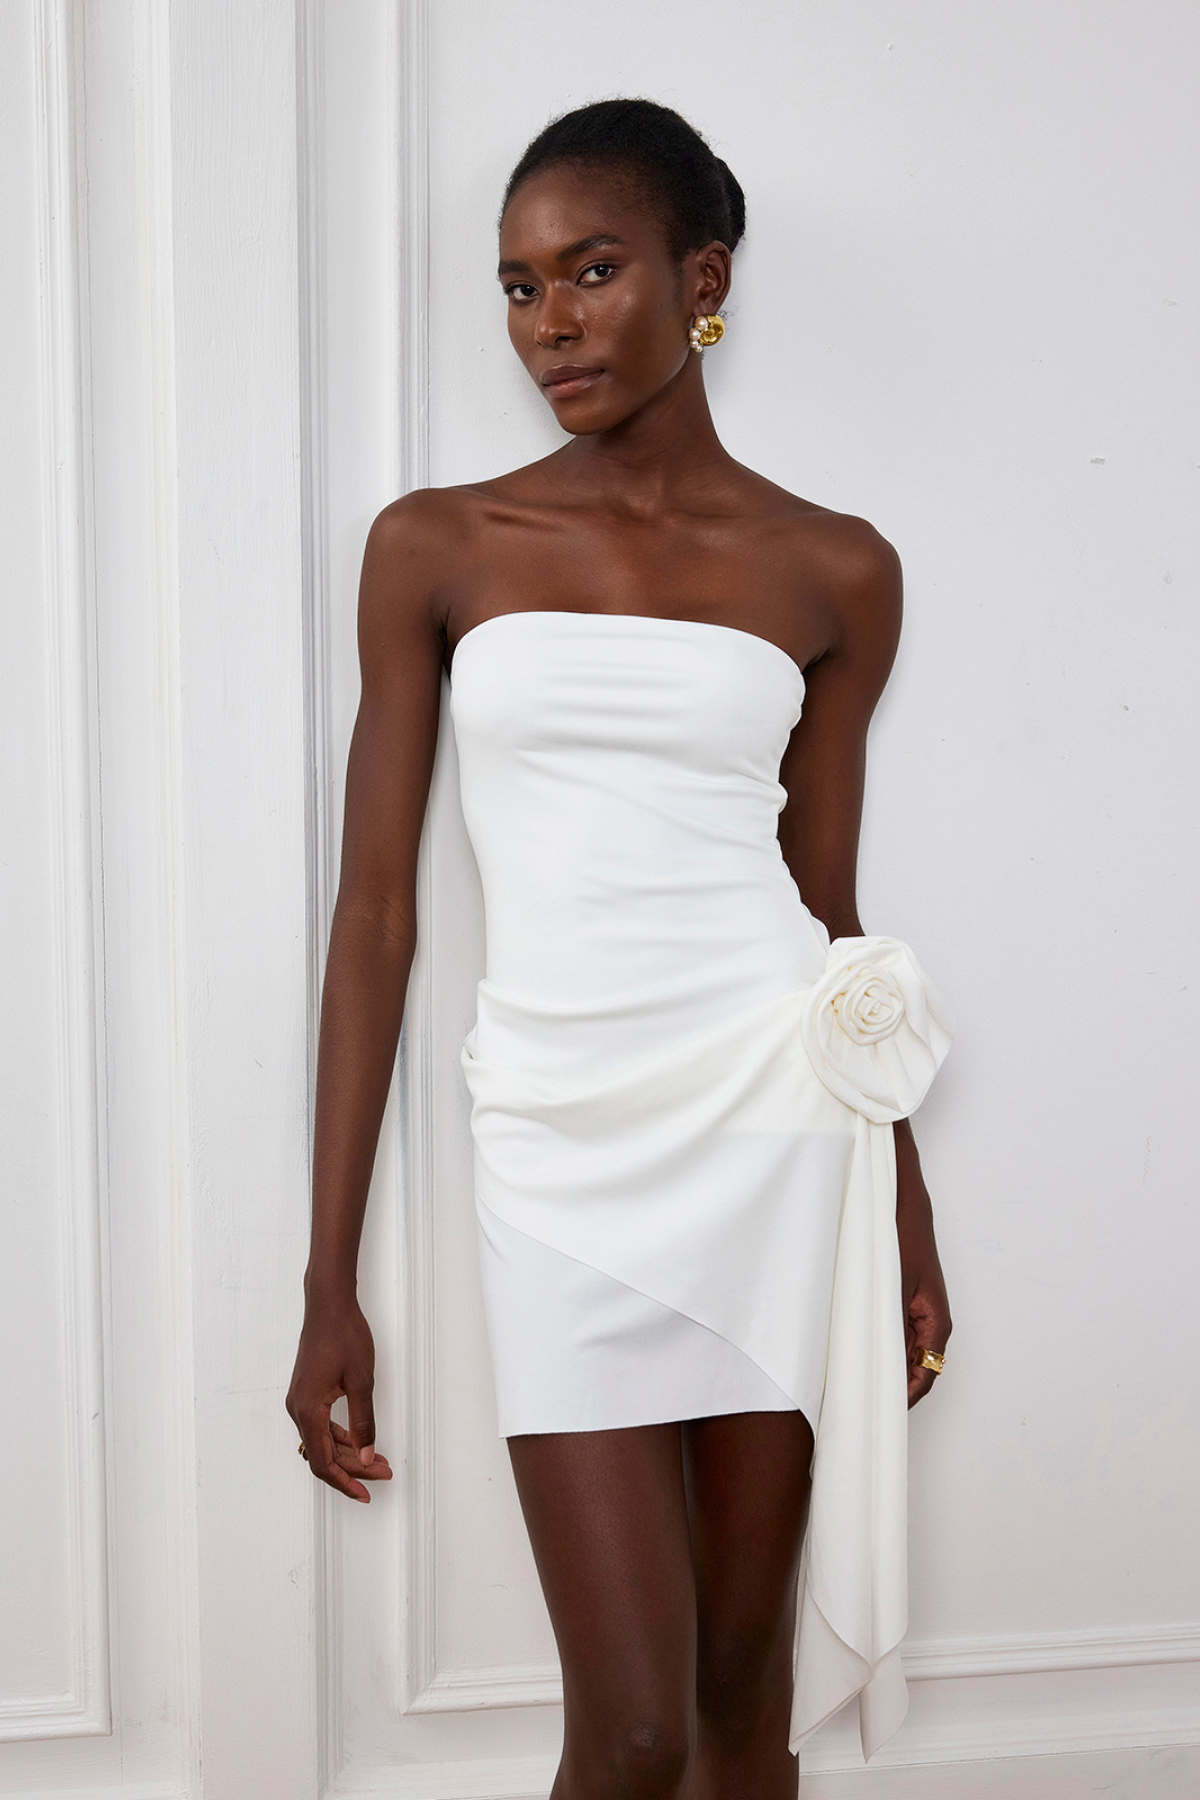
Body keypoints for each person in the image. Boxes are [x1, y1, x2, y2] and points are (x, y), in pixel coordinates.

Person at [287, 97, 954, 1800]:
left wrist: (902, 1200)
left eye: (593, 272)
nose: (551, 324)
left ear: (702, 279)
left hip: (778, 1129)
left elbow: (827, 907)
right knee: (634, 1733)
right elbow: (375, 914)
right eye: (520, 287)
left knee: (740, 1710)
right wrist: (326, 1276)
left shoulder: (837, 568)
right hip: (559, 1139)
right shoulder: (437, 545)